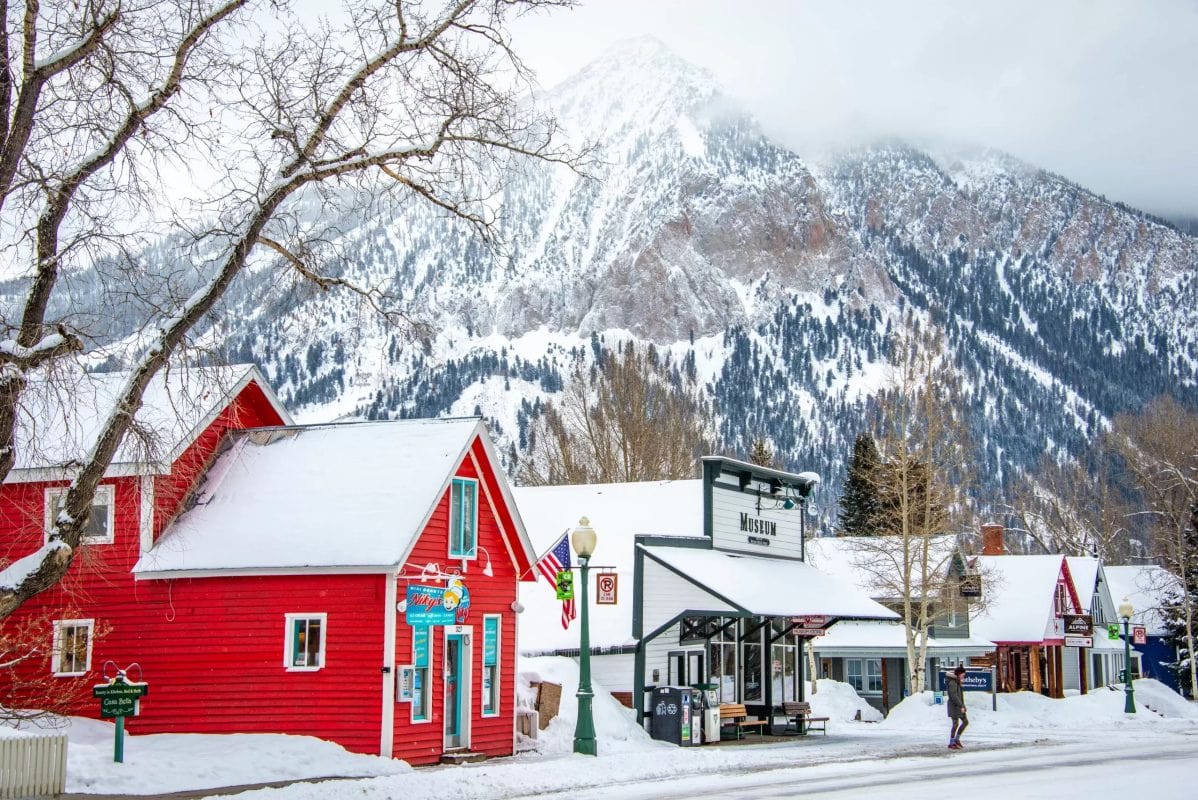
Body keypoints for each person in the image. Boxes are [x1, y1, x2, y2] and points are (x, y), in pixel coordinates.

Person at [946, 664, 968, 749]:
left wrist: (963, 705)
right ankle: (952, 742)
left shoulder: (958, 682)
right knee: (955, 724)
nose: (964, 676)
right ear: (959, 674)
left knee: (965, 722)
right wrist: (961, 705)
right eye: (963, 675)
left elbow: (959, 696)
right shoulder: (953, 682)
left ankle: (957, 739)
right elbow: (954, 696)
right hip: (954, 706)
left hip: (959, 706)